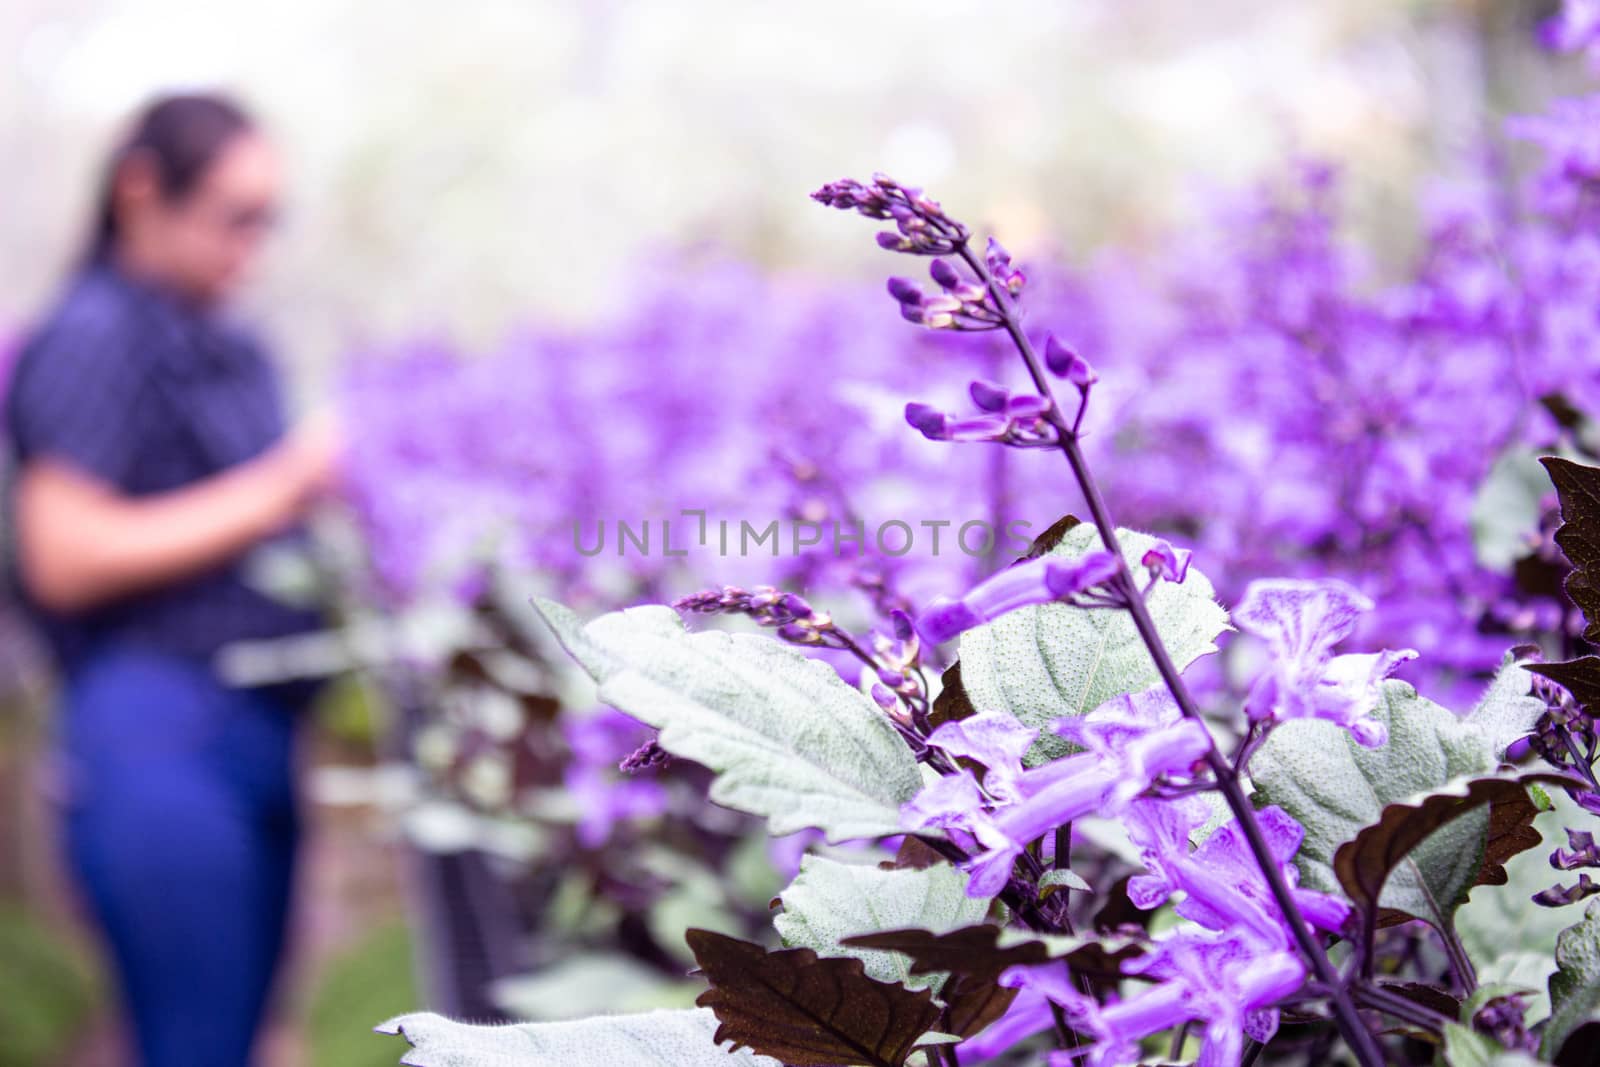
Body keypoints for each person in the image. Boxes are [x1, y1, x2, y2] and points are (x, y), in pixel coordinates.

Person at [4, 93, 337, 1066]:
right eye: (235, 216)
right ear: (142, 191)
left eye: (268, 220)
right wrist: (285, 484)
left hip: (252, 736)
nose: (254, 245)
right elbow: (62, 555)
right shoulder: (97, 332)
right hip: (158, 734)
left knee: (229, 1037)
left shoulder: (220, 338)